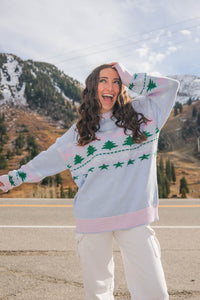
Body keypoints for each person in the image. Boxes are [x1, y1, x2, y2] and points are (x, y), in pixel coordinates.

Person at [0, 62, 179, 300]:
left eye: (116, 81)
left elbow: (170, 87)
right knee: (98, 293)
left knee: (153, 292)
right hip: (93, 219)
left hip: (135, 217)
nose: (111, 86)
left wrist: (131, 77)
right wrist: (8, 181)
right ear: (93, 87)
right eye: (103, 80)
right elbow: (42, 163)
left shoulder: (144, 114)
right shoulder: (78, 134)